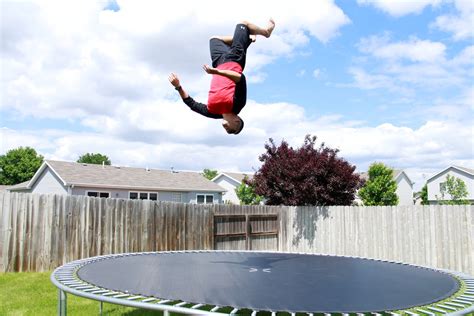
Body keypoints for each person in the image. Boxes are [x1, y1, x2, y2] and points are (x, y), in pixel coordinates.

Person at [169, 19, 275, 134]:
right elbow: (240, 78)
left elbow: (192, 104)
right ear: (237, 121)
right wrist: (218, 72)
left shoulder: (213, 112)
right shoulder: (238, 105)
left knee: (214, 39)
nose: (228, 131)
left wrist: (178, 86)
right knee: (243, 23)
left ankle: (246, 39)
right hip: (235, 60)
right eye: (233, 130)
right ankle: (265, 32)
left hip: (218, 62)